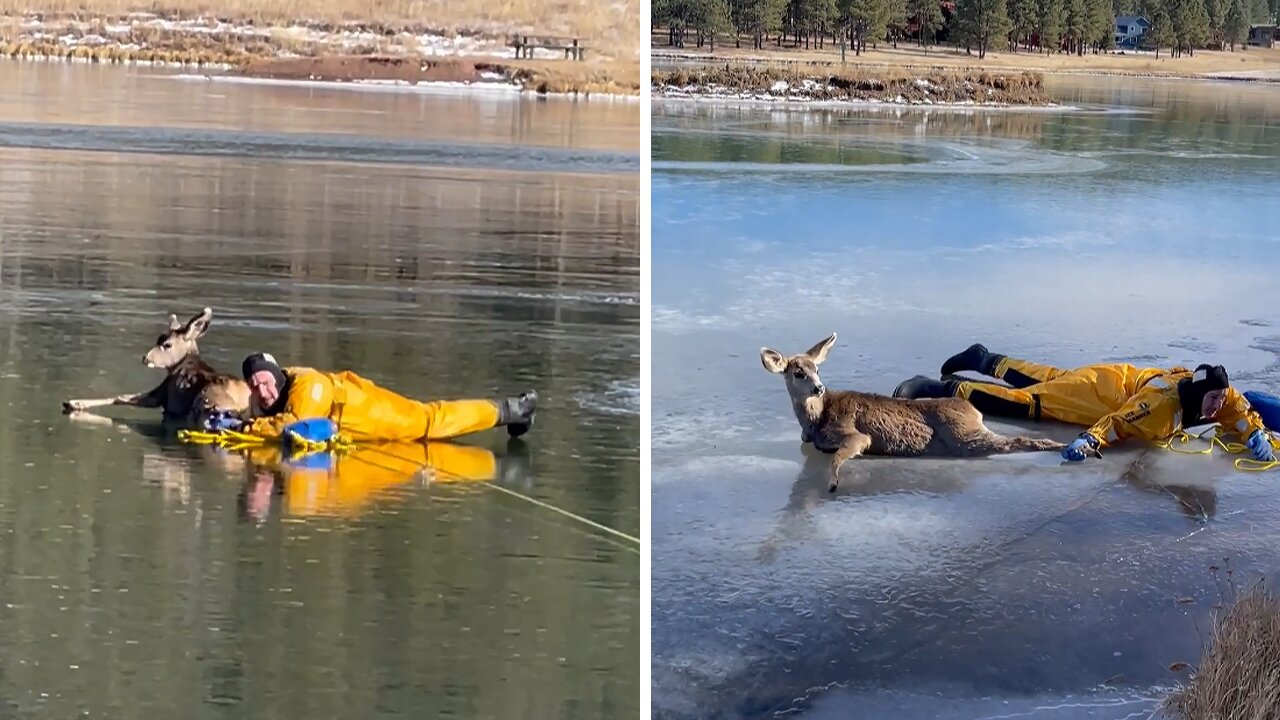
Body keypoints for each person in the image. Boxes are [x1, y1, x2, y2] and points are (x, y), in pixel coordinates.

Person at [891, 343, 1276, 463]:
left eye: (1218, 400)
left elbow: (1239, 413)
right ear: (1197, 392)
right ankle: (940, 388)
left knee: (1049, 379)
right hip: (1103, 397)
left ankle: (984, 359)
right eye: (1211, 401)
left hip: (1113, 378)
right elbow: (1118, 423)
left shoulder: (1219, 393)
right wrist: (1089, 441)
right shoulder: (1159, 405)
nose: (1214, 409)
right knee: (1030, 404)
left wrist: (1255, 434)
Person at [226, 352, 538, 443]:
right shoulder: (279, 389)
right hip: (353, 418)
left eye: (265, 382)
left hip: (365, 412)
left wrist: (243, 430)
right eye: (254, 386)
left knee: (428, 421)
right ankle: (513, 414)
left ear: (277, 377)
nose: (261, 391)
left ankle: (513, 410)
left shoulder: (309, 386)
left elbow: (290, 423)